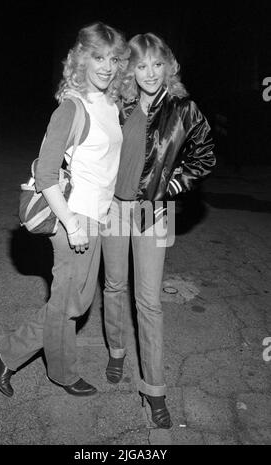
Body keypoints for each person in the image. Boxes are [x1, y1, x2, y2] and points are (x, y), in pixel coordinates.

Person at [0, 22, 129, 397]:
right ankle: (62, 374)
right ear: (81, 59)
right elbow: (46, 174)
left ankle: (5, 352)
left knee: (73, 302)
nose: (106, 66)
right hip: (74, 219)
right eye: (98, 57)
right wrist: (71, 223)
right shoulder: (71, 108)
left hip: (96, 215)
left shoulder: (110, 105)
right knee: (69, 306)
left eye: (113, 58)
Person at [101, 33, 216, 428]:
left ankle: (155, 389)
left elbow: (204, 156)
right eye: (141, 65)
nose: (149, 73)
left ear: (168, 66)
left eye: (157, 64)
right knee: (114, 286)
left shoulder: (184, 109)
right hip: (114, 208)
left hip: (155, 212)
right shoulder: (119, 103)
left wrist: (170, 185)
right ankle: (116, 349)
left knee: (149, 302)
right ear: (130, 68)